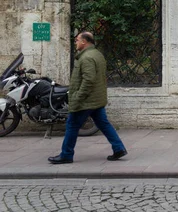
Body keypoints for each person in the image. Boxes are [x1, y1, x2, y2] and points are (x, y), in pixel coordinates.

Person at [48, 31, 127, 164]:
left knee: (72, 125)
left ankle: (66, 154)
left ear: (84, 41)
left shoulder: (87, 58)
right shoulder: (97, 54)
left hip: (86, 101)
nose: (76, 42)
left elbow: (88, 80)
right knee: (103, 123)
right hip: (96, 99)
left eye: (77, 40)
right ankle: (118, 148)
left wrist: (78, 97)